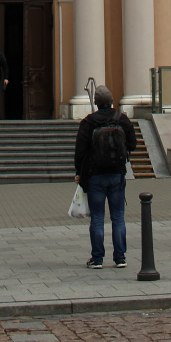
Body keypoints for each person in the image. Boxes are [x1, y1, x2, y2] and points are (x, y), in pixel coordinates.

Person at [73, 85, 137, 268]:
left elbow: (80, 152)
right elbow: (132, 144)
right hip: (117, 174)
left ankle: (97, 258)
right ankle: (120, 257)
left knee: (98, 218)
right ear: (111, 101)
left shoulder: (89, 122)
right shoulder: (121, 119)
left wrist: (79, 173)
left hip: (95, 177)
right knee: (118, 217)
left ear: (96, 102)